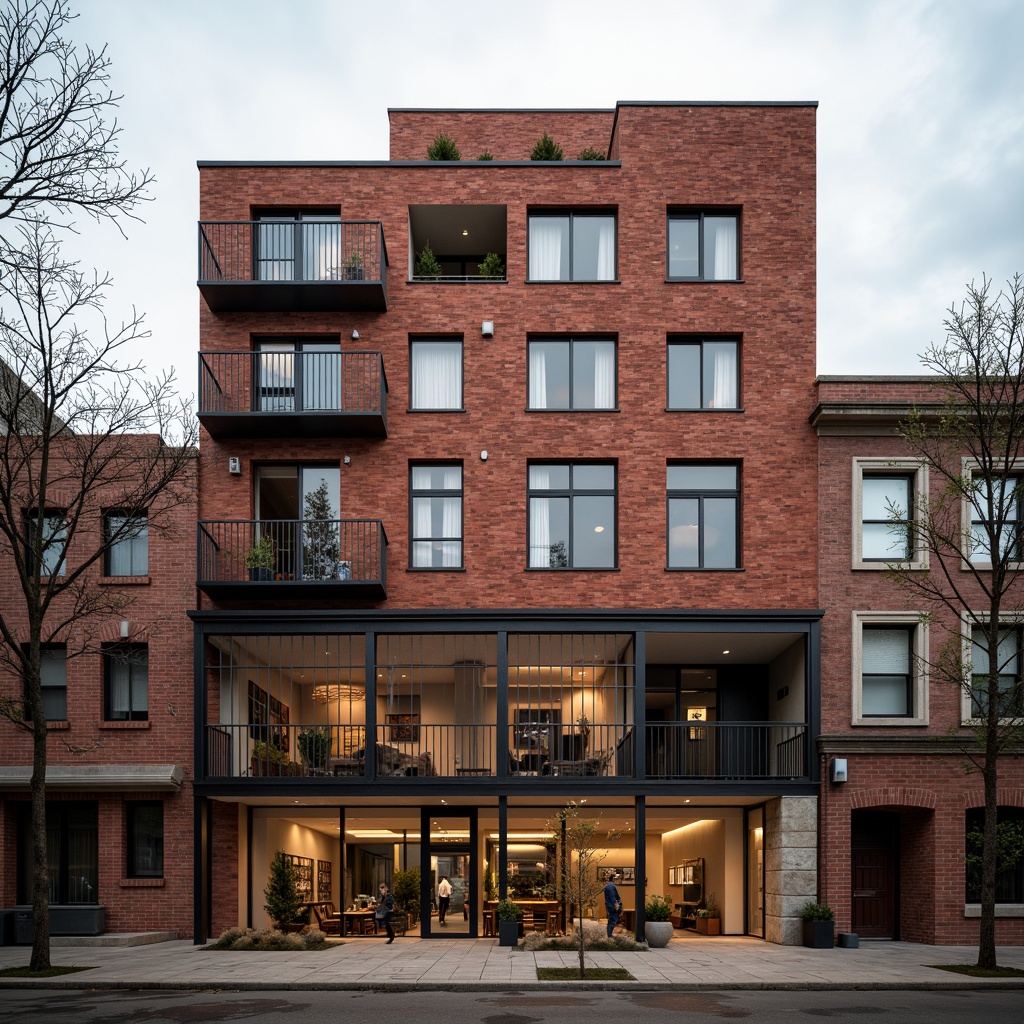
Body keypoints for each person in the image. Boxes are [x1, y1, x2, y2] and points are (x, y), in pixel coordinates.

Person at [603, 870, 622, 938]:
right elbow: (612, 896)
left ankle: (609, 935)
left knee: (611, 920)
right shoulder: (611, 886)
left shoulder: (608, 886)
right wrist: (616, 904)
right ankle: (609, 935)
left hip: (610, 905)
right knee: (612, 920)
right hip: (612, 906)